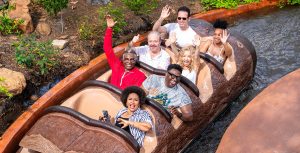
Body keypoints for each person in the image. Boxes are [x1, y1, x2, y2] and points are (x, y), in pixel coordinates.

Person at [103, 15, 146, 89]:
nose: (129, 62)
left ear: (135, 60)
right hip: (109, 96)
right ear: (122, 60)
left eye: (132, 59)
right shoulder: (116, 65)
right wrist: (109, 29)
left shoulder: (140, 76)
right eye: (126, 59)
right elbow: (107, 49)